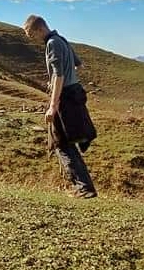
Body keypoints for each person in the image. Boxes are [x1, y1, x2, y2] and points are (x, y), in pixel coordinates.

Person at [23, 14, 97, 199]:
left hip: (65, 97)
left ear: (40, 29)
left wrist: (53, 105)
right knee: (66, 141)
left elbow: (58, 75)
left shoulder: (52, 43)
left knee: (60, 143)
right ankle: (83, 185)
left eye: (32, 35)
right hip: (74, 92)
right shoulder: (61, 40)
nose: (32, 39)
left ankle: (84, 188)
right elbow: (78, 64)